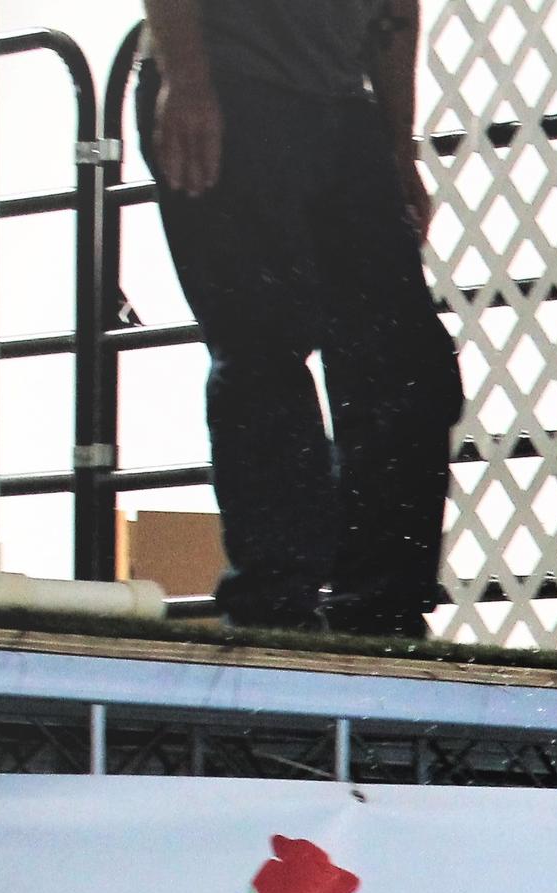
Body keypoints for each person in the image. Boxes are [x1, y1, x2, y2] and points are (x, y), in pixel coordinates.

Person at [138, 0, 464, 637]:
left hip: (340, 108)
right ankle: (274, 605)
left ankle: (379, 610)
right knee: (263, 345)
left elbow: (396, 11)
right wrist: (189, 80)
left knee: (406, 365)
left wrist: (398, 149)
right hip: (230, 84)